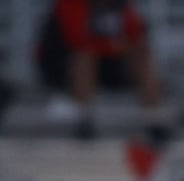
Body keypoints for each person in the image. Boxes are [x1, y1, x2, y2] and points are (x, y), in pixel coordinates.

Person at [35, 0, 168, 140]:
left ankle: (154, 118)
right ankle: (83, 119)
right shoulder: (70, 4)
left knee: (143, 55)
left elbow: (135, 36)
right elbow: (77, 39)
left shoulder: (121, 6)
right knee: (85, 57)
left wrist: (116, 46)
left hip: (107, 64)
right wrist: (114, 45)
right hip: (64, 68)